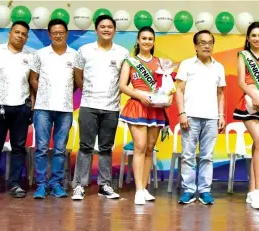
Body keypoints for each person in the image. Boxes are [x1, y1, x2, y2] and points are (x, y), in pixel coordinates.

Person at [71, 15, 129, 200]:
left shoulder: (122, 53)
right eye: (102, 26)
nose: (106, 29)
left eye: (110, 27)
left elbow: (124, 79)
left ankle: (105, 185)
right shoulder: (85, 50)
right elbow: (78, 76)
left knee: (106, 147)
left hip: (111, 107)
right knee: (85, 146)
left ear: (114, 30)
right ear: (96, 30)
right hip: (88, 106)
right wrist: (87, 91)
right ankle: (79, 185)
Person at [0, 21, 33, 199]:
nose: (20, 36)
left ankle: (15, 184)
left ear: (27, 37)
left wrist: (31, 104)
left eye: (24, 34)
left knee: (19, 147)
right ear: (9, 33)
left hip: (21, 109)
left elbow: (33, 82)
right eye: (16, 32)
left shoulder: (31, 55)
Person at [119, 26, 171, 205]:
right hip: (138, 105)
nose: (147, 41)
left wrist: (167, 98)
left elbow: (166, 86)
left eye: (150, 38)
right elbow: (123, 86)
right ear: (138, 41)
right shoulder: (130, 61)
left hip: (155, 108)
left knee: (150, 148)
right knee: (140, 146)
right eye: (144, 38)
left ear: (154, 41)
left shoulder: (160, 62)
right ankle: (138, 190)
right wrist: (140, 95)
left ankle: (145, 187)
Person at [175, 30, 226, 205]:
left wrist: (221, 116)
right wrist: (182, 113)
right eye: (202, 42)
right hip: (190, 117)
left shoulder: (219, 67)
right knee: (188, 156)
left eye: (210, 42)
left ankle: (204, 190)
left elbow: (220, 94)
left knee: (207, 156)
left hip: (211, 118)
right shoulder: (187, 64)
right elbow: (179, 91)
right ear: (195, 46)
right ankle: (189, 190)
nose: (207, 46)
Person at [28, 19, 76, 199]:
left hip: (65, 109)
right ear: (49, 34)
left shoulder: (75, 55)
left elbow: (77, 81)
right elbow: (33, 79)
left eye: (61, 32)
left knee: (60, 149)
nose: (58, 35)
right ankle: (41, 184)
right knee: (41, 148)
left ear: (66, 33)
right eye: (54, 33)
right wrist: (44, 93)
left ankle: (56, 184)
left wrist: (65, 93)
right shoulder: (40, 54)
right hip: (43, 108)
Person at [232, 22, 259, 209]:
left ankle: (252, 191)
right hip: (250, 104)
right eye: (254, 35)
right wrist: (254, 96)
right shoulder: (243, 56)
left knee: (258, 148)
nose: (257, 38)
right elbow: (242, 82)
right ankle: (258, 191)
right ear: (248, 38)